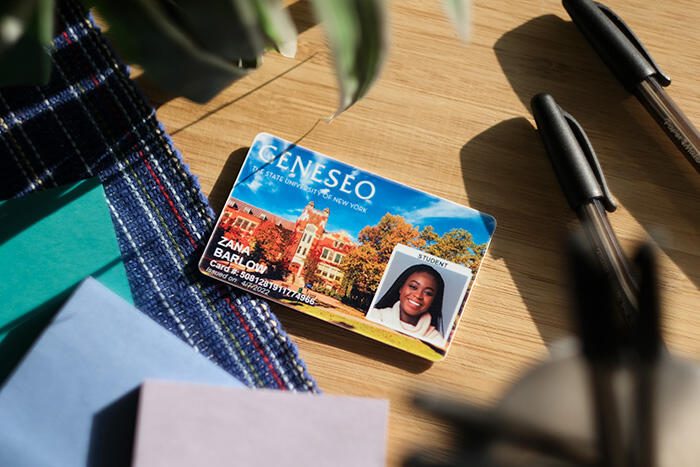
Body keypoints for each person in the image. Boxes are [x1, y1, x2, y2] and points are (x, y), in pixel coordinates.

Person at [366, 264, 445, 346]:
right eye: (413, 287)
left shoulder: (436, 340)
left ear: (434, 300)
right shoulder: (375, 316)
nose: (418, 295)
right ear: (401, 288)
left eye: (428, 293)